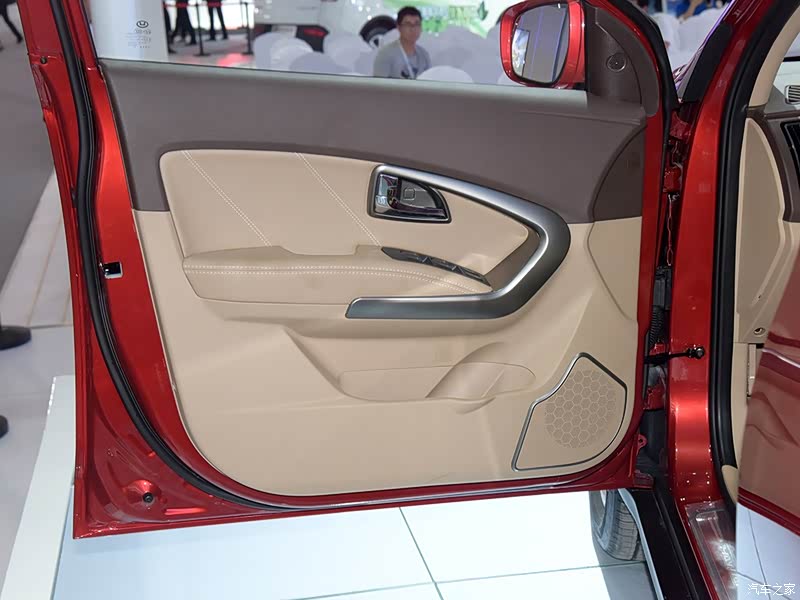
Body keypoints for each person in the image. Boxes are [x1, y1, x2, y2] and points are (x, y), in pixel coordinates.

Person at [374, 6, 431, 80]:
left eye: (417, 24)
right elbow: (378, 85)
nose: (413, 29)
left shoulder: (424, 55)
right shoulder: (385, 54)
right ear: (399, 27)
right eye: (408, 24)